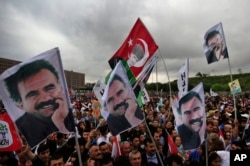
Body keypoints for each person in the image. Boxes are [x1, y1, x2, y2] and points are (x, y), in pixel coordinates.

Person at [4, 59, 75, 148]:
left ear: (60, 88)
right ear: (20, 105)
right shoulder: (20, 131)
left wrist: (60, 124)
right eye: (33, 94)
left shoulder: (70, 116)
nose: (45, 98)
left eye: (49, 88)